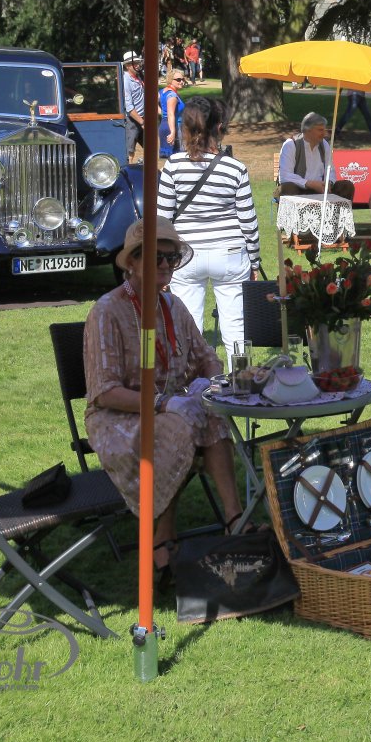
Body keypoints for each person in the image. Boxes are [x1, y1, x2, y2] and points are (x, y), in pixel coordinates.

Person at [83, 217, 242, 581]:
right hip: (118, 416)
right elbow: (104, 392)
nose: (167, 265)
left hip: (170, 407)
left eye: (172, 258)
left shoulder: (173, 305)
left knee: (212, 413)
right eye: (157, 257)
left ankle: (235, 519)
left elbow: (207, 356)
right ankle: (163, 537)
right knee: (176, 428)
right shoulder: (107, 311)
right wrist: (162, 404)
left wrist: (205, 381)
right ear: (133, 261)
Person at [158, 97, 261, 361]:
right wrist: (255, 261)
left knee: (188, 326)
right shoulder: (235, 168)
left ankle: (192, 381)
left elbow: (163, 221)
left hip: (186, 255)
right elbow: (248, 221)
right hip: (230, 252)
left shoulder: (173, 166)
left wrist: (161, 262)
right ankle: (240, 379)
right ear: (219, 127)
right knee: (236, 326)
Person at [277, 112, 355, 200]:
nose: (324, 133)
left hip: (321, 189)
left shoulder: (324, 145)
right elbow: (285, 175)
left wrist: (328, 183)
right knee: (287, 188)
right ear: (308, 130)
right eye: (320, 130)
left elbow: (330, 170)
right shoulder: (291, 145)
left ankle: (337, 210)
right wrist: (309, 184)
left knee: (346, 186)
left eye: (324, 130)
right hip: (299, 189)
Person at [122, 51, 145, 164]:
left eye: (137, 62)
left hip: (142, 118)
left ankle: (146, 167)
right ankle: (128, 169)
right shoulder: (125, 80)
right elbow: (129, 107)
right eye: (134, 63)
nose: (137, 65)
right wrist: (142, 122)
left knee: (150, 145)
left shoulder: (138, 77)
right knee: (130, 151)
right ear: (127, 66)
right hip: (133, 120)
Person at [158, 68, 188, 157]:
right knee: (178, 157)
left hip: (164, 125)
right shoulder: (172, 96)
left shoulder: (162, 91)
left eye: (183, 79)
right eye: (178, 80)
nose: (181, 82)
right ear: (170, 80)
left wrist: (163, 113)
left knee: (170, 158)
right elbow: (171, 114)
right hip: (173, 127)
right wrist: (173, 132)